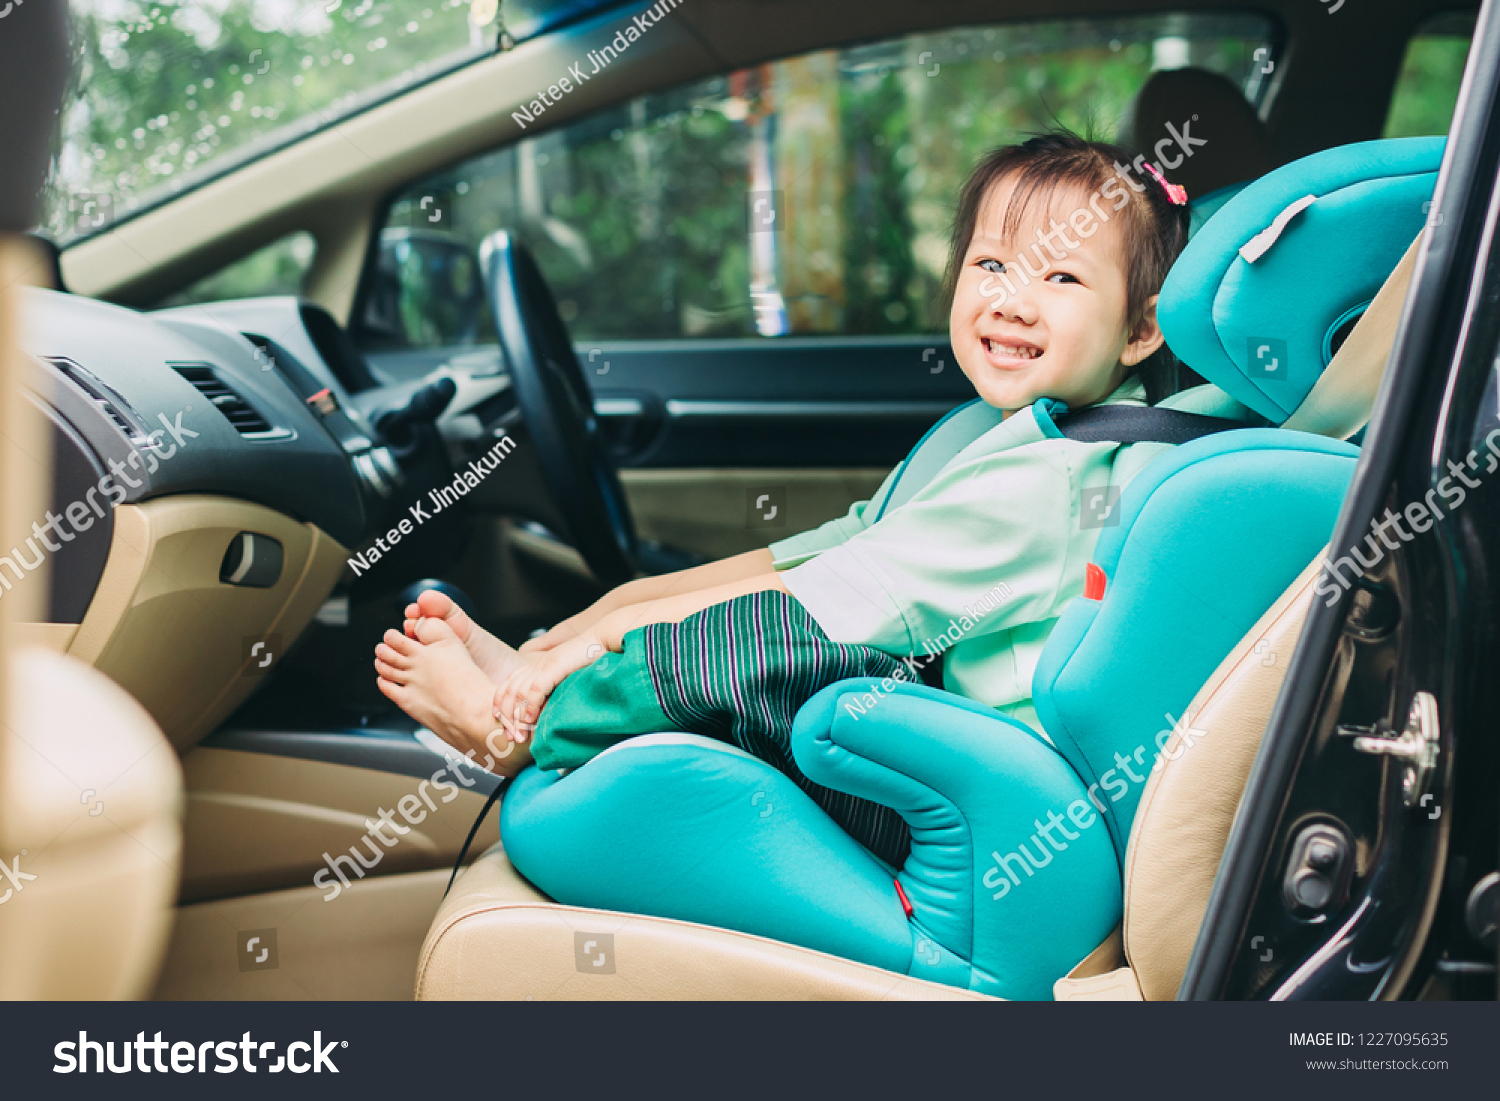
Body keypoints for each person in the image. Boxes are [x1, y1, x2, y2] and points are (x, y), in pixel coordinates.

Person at [372, 131, 1244, 867]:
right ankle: (534, 685)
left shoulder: (1054, 481)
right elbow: (824, 549)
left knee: (765, 646)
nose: (1013, 299)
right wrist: (596, 616)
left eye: (1061, 280)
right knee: (769, 625)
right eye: (991, 262)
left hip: (980, 810)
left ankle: (522, 726)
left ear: (1140, 328)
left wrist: (584, 652)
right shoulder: (1009, 434)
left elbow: (809, 597)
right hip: (950, 755)